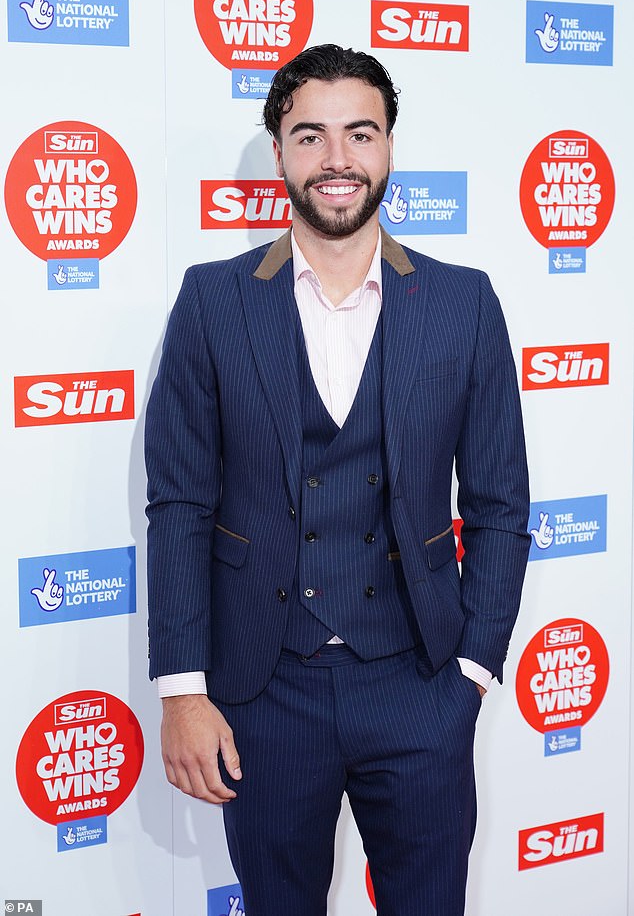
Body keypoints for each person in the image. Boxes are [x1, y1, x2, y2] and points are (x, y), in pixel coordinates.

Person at [145, 44, 530, 916]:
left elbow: (503, 504)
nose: (338, 158)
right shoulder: (213, 301)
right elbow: (178, 505)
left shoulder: (464, 301)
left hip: (421, 686)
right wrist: (183, 691)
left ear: (390, 147)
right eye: (310, 136)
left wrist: (471, 671)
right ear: (279, 154)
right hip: (262, 691)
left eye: (360, 133)